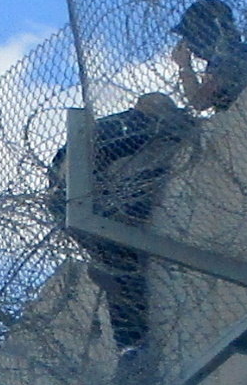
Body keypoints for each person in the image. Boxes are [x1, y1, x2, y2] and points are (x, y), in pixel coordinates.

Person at [47, 93, 195, 359]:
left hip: (66, 204)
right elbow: (165, 132)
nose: (167, 112)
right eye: (163, 108)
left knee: (119, 263)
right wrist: (183, 125)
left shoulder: (103, 126)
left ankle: (129, 345)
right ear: (146, 107)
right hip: (87, 200)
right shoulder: (130, 122)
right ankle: (134, 341)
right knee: (126, 256)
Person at [170, 0, 247, 112]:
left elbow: (199, 102)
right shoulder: (229, 54)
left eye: (190, 36)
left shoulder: (231, 55)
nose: (188, 44)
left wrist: (184, 65)